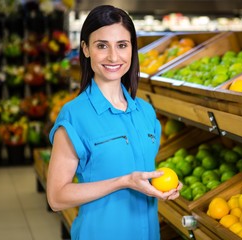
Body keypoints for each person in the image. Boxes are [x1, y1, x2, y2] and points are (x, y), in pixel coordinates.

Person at [46, 5, 183, 240]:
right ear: (86, 50)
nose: (113, 56)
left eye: (122, 45)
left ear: (132, 49)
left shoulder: (146, 113)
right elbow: (56, 197)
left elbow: (143, 173)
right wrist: (123, 182)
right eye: (102, 46)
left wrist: (164, 184)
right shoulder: (74, 115)